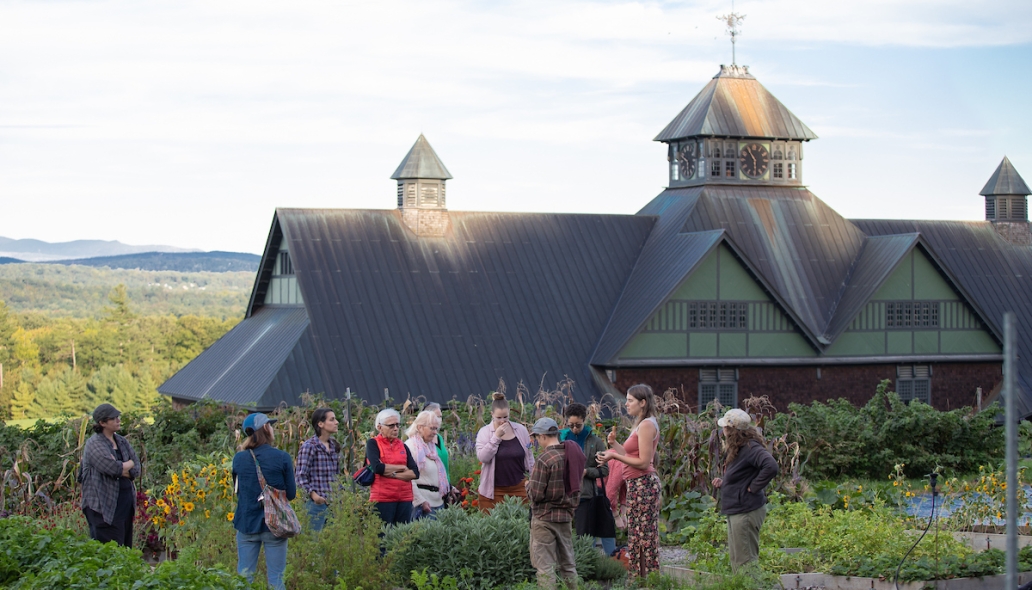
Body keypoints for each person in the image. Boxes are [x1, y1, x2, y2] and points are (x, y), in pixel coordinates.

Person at [597, 384, 661, 579]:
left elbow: (643, 462)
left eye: (630, 400)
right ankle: (640, 579)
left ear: (642, 403)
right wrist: (614, 445)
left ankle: (647, 580)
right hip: (636, 484)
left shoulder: (648, 425)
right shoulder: (640, 423)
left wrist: (614, 457)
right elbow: (631, 455)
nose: (626, 404)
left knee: (644, 537)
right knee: (637, 536)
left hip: (644, 484)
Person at [232, 412, 296, 590]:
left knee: (244, 579)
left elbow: (239, 492)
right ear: (266, 428)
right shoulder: (282, 457)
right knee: (276, 578)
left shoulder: (239, 458)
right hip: (274, 525)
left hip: (246, 524)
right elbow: (290, 494)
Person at [711, 408, 779, 572]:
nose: (723, 431)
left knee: (746, 562)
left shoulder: (750, 448)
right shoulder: (740, 448)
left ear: (732, 430)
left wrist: (754, 487)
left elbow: (771, 466)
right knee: (737, 560)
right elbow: (743, 474)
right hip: (738, 510)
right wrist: (725, 482)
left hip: (746, 511)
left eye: (725, 428)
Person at [526, 418, 582, 590]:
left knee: (545, 567)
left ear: (543, 436)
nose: (536, 441)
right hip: (565, 517)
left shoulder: (544, 459)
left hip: (544, 518)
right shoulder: (571, 455)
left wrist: (528, 486)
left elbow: (536, 494)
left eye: (536, 437)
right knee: (568, 564)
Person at [80, 403, 141, 547]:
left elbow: (137, 467)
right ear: (102, 423)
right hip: (103, 506)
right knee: (109, 551)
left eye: (118, 417)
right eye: (113, 418)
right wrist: (125, 465)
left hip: (124, 504)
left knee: (125, 549)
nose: (118, 420)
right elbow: (112, 468)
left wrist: (125, 467)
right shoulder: (94, 444)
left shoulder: (121, 441)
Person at [560, 403, 614, 556]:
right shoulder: (560, 439)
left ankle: (587, 566)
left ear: (584, 420)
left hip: (585, 494)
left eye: (578, 425)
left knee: (584, 534)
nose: (575, 429)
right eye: (571, 425)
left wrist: (586, 472)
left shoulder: (595, 441)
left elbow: (604, 469)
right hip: (563, 494)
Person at [476, 392, 534, 511]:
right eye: (499, 418)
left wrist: (532, 479)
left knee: (521, 523)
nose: (503, 421)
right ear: (492, 414)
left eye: (505, 417)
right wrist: (496, 437)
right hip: (493, 490)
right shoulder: (485, 432)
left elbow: (529, 456)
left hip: (519, 487)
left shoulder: (521, 430)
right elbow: (483, 457)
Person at [366, 408, 419, 526]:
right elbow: (377, 468)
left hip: (405, 497)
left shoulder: (403, 446)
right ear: (379, 427)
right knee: (382, 537)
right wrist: (402, 467)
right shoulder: (373, 444)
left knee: (402, 536)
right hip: (383, 498)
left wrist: (392, 473)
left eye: (397, 425)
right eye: (391, 426)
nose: (395, 428)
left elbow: (415, 473)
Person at [295, 407, 341, 531]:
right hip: (316, 505)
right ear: (320, 424)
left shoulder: (333, 447)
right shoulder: (310, 447)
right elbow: (300, 475)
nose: (336, 422)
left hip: (334, 504)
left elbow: (337, 476)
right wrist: (314, 496)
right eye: (332, 419)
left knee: (333, 543)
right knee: (315, 541)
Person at [405, 410, 450, 520]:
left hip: (437, 501)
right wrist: (420, 501)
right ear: (420, 427)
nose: (435, 432)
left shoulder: (431, 447)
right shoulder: (412, 447)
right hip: (423, 504)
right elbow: (409, 478)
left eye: (436, 429)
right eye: (432, 428)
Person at [423, 402, 450, 478]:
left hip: (445, 483)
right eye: (436, 417)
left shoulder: (439, 437)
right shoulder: (422, 439)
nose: (439, 420)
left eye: (440, 417)